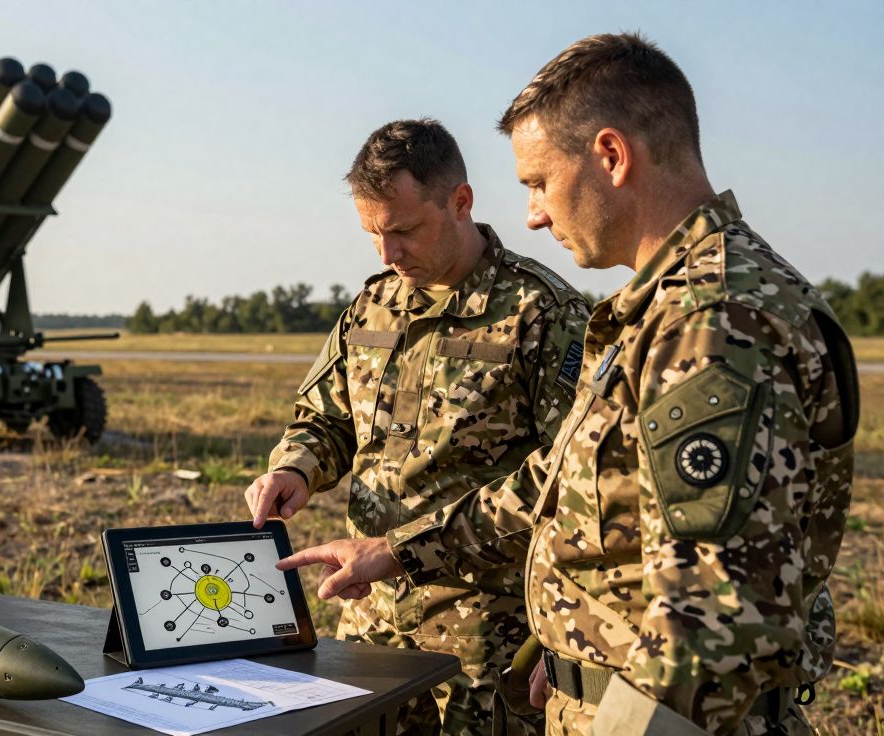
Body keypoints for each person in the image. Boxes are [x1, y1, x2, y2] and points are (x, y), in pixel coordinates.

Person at [277, 32, 859, 736]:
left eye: (539, 182)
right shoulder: (661, 309)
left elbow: (709, 626)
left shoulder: (712, 321)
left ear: (611, 157)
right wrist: (396, 551)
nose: (533, 213)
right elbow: (552, 487)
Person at [245, 118, 590, 735]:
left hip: (486, 640)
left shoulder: (543, 314)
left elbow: (573, 482)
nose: (387, 253)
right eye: (372, 234)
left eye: (403, 230)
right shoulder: (372, 305)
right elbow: (325, 417)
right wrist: (295, 466)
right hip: (370, 625)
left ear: (460, 202)